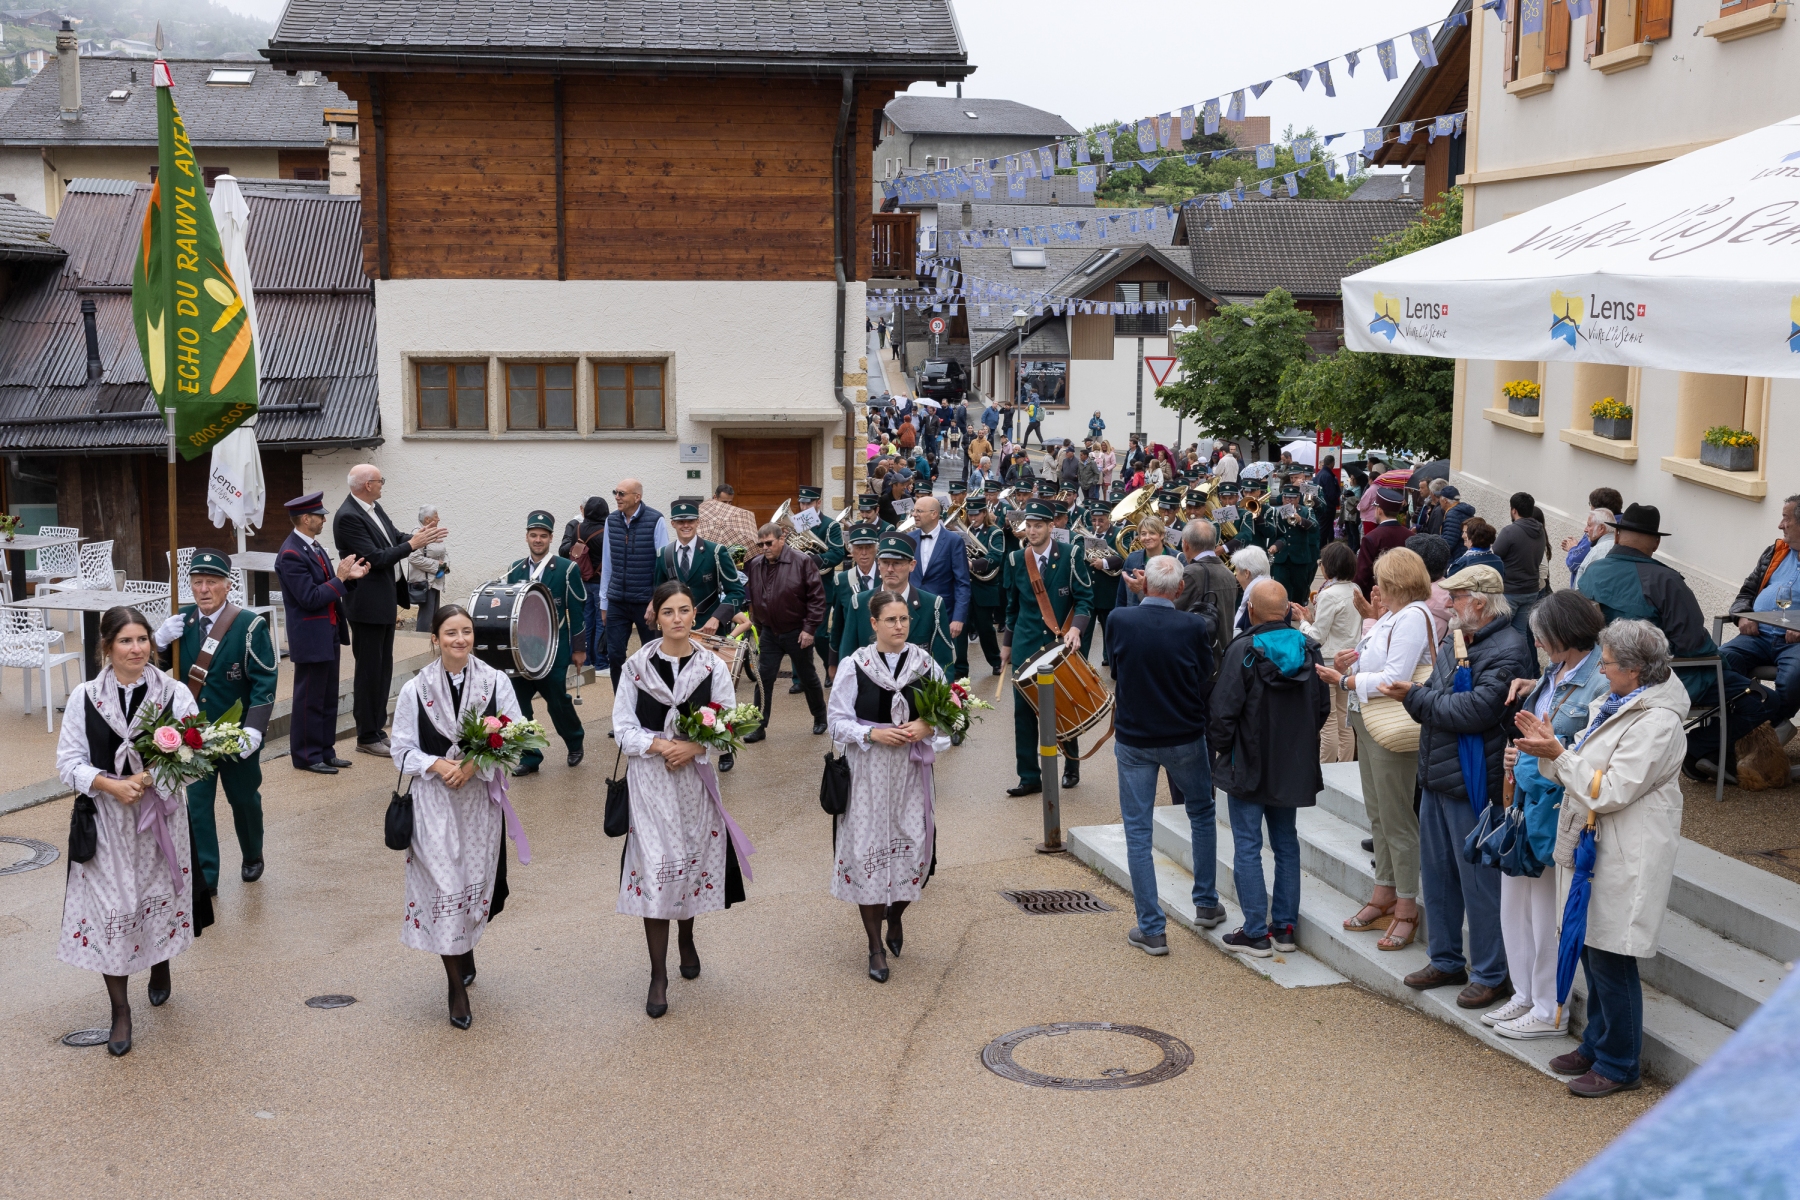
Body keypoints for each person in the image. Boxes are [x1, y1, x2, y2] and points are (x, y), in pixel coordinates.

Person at [1521, 619, 1686, 1098]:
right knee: (1591, 948)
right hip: (1600, 844)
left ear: (1634, 670)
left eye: (1608, 663)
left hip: (1626, 849)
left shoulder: (1657, 722)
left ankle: (1620, 1063)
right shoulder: (1620, 703)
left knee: (1612, 957)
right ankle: (1597, 1043)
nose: (1602, 669)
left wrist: (1559, 754)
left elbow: (1610, 789)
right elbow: (1585, 766)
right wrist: (1552, 751)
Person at [56, 606, 215, 1056]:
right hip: (106, 822)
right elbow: (67, 762)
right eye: (125, 641)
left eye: (142, 639)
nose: (136, 649)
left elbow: (197, 756)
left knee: (155, 897)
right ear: (107, 647)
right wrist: (110, 784)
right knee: (114, 908)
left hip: (159, 818)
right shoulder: (85, 697)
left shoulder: (174, 693)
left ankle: (159, 961)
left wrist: (144, 780)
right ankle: (120, 1011)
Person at [1390, 564, 1533, 1011]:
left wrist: (1415, 697)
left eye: (1455, 597)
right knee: (1438, 878)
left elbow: (1473, 711)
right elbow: (1441, 700)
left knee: (1479, 884)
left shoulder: (1510, 648)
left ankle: (1491, 973)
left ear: (1480, 602)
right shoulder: (1459, 637)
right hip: (1438, 776)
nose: (1448, 604)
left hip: (1475, 784)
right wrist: (1424, 699)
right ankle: (1446, 960)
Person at [612, 581, 752, 1017]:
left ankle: (687, 938)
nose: (677, 618)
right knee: (657, 869)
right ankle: (658, 975)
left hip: (694, 782)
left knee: (688, 862)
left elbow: (729, 723)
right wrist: (660, 746)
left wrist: (692, 747)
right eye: (668, 611)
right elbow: (623, 727)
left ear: (694, 615)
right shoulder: (637, 667)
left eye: (684, 610)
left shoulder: (711, 666)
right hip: (650, 782)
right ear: (655, 617)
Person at [389, 603, 528, 1030]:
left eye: (466, 631)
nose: (460, 639)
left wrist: (473, 764)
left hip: (478, 803)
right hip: (434, 802)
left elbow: (517, 734)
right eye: (451, 632)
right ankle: (456, 988)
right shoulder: (415, 689)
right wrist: (436, 764)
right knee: (445, 886)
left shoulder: (495, 681)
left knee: (473, 883)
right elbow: (401, 749)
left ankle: (464, 948)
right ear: (435, 639)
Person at [1578, 503, 1784, 781]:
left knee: (1732, 678)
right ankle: (1690, 748)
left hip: (1605, 674)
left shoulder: (1591, 572)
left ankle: (1710, 756)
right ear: (1656, 542)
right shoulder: (1666, 580)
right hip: (1664, 678)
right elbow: (1694, 646)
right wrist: (1721, 663)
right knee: (1763, 699)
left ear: (1616, 535)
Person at [1492, 589, 1610, 1042]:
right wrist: (1518, 755)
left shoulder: (1598, 679)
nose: (1537, 642)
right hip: (1528, 797)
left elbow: (1584, 750)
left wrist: (1537, 754)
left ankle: (1547, 1007)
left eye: (1543, 635)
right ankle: (1524, 993)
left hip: (1556, 805)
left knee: (1544, 912)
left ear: (1566, 632)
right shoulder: (1554, 669)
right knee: (1515, 903)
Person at [1315, 547, 1437, 950]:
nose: (1376, 587)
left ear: (1396, 582)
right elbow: (1377, 668)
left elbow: (1394, 679)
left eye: (1381, 580)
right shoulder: (1393, 616)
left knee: (1397, 819)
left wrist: (1343, 679)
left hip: (1391, 724)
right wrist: (1349, 665)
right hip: (1369, 720)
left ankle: (1407, 905)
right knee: (1379, 816)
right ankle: (1384, 892)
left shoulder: (1413, 616)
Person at [827, 590, 950, 982]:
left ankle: (895, 914)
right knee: (867, 852)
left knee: (915, 848)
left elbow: (953, 712)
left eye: (904, 619)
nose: (899, 626)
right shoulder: (855, 666)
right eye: (891, 620)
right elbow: (836, 721)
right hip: (867, 772)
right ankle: (874, 947)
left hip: (911, 774)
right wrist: (872, 734)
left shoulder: (925, 664)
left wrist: (928, 726)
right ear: (874, 623)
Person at [1107, 555, 1222, 955]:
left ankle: (1152, 927)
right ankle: (1205, 903)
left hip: (1135, 736)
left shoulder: (1120, 619)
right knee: (1201, 813)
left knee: (1138, 831)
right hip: (1183, 734)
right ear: (1180, 589)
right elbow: (1203, 673)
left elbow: (1116, 668)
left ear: (1145, 585)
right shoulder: (1192, 625)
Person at [1209, 577, 1330, 956]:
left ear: (1251, 611)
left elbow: (1223, 712)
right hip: (1291, 763)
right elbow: (1321, 707)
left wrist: (1224, 750)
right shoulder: (1309, 649)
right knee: (1285, 843)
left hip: (1248, 760)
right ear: (1289, 610)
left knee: (1247, 845)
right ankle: (1285, 929)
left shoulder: (1243, 649)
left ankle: (1255, 932)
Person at [153, 548, 278, 890]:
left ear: (227, 585)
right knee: (197, 806)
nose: (203, 589)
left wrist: (254, 729)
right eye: (197, 582)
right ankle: (206, 877)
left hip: (236, 734)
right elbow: (156, 672)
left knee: (244, 800)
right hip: (193, 735)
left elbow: (264, 681)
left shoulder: (249, 625)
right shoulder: (181, 621)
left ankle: (252, 853)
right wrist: (158, 643)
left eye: (211, 582)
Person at [335, 464, 447, 755]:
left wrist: (421, 536)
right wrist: (413, 544)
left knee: (383, 670)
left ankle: (377, 730)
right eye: (379, 480)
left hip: (383, 602)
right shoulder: (348, 516)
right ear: (366, 484)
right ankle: (366, 736)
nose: (382, 484)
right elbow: (376, 557)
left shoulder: (374, 508)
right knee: (369, 672)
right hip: (366, 605)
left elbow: (394, 537)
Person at [1000, 499, 1093, 796]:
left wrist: (1076, 628)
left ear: (1051, 526)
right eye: (1029, 526)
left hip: (1059, 643)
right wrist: (1007, 645)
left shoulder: (1070, 554)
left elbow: (1085, 598)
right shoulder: (1016, 559)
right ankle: (1029, 776)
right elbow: (1012, 608)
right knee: (1023, 712)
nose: (1032, 531)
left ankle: (1071, 766)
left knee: (1063, 705)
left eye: (1038, 526)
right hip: (1025, 644)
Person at [275, 491, 368, 774]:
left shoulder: (313, 547)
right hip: (310, 636)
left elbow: (329, 586)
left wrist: (348, 579)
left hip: (327, 631)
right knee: (309, 700)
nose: (324, 520)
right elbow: (310, 598)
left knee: (328, 696)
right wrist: (340, 578)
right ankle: (307, 755)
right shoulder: (291, 553)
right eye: (320, 516)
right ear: (306, 519)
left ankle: (326, 751)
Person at [506, 510, 587, 775]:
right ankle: (530, 756)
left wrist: (579, 648)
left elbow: (577, 612)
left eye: (543, 535)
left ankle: (574, 741)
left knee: (557, 700)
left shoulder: (566, 568)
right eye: (533, 535)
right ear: (527, 537)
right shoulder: (515, 569)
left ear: (551, 538)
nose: (538, 540)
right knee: (518, 703)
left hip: (554, 647)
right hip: (522, 649)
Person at [1722, 495, 1800, 736]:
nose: (1780, 525)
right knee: (1722, 660)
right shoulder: (1775, 553)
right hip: (1758, 636)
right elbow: (1746, 593)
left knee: (1793, 678)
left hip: (1794, 643)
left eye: (1786, 518)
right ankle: (1750, 722)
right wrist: (1743, 616)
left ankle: (1767, 729)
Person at [743, 521, 828, 739]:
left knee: (808, 677)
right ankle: (758, 726)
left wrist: (809, 629)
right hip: (769, 632)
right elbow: (756, 596)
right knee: (764, 679)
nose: (764, 548)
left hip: (797, 631)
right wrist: (759, 625)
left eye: (769, 543)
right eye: (761, 544)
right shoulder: (755, 564)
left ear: (782, 539)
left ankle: (820, 716)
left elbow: (817, 598)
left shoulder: (802, 561)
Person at [599, 479, 673, 691]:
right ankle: (621, 703)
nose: (617, 497)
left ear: (637, 497)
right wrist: (604, 602)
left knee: (652, 656)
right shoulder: (611, 520)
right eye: (615, 492)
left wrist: (656, 602)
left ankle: (652, 701)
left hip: (645, 602)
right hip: (617, 601)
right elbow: (607, 562)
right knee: (614, 655)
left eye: (622, 493)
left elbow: (662, 565)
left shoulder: (655, 520)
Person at [840, 534, 954, 669]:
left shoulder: (932, 605)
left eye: (897, 563)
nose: (890, 569)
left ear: (912, 565)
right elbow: (848, 655)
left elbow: (943, 664)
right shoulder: (859, 602)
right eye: (885, 562)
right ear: (878, 563)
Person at [786, 485, 848, 692]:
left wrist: (812, 560)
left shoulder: (830, 526)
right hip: (798, 588)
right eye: (802, 503)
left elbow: (838, 553)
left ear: (818, 503)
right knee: (797, 633)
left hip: (822, 587)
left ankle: (829, 666)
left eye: (809, 503)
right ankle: (799, 679)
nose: (804, 507)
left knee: (819, 634)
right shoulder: (795, 524)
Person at [1310, 541, 1361, 763]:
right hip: (1350, 660)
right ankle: (1345, 767)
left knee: (1329, 721)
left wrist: (1303, 622)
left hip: (1330, 661)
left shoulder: (1328, 594)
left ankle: (1326, 769)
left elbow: (1317, 636)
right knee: (1344, 720)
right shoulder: (1355, 588)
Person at [909, 495, 970, 675]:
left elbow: (962, 583)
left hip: (942, 614)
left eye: (919, 511)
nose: (914, 514)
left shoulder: (953, 541)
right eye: (914, 510)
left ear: (934, 514)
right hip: (912, 612)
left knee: (942, 667)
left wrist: (958, 618)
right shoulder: (909, 539)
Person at [560, 495, 611, 672]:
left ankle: (586, 661)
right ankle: (601, 663)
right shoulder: (606, 532)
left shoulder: (578, 528)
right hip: (600, 583)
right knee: (601, 622)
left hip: (582, 581)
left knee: (585, 622)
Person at [1494, 491, 1550, 641]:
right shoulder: (1540, 531)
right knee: (1520, 633)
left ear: (1514, 510)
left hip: (1510, 590)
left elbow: (1495, 555)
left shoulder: (1509, 531)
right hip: (1531, 590)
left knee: (1500, 632)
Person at [961, 497, 1007, 676]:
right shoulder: (963, 531)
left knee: (985, 628)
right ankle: (960, 668)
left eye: (976, 514)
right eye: (970, 514)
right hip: (965, 586)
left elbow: (996, 557)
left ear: (984, 513)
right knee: (961, 627)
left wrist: (972, 564)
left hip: (984, 586)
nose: (973, 518)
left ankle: (996, 661)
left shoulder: (994, 532)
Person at [1353, 483, 1411, 599]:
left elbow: (1362, 575)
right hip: (1405, 596)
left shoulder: (1371, 538)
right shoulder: (1411, 536)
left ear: (1379, 510)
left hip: (1378, 597)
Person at [1266, 482, 1321, 604]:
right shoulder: (1276, 512)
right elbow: (1272, 532)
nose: (1289, 500)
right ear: (1282, 498)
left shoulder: (1306, 511)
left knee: (1299, 590)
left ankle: (1298, 609)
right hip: (1281, 558)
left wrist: (1301, 520)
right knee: (1280, 589)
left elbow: (1315, 527)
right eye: (1286, 497)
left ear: (1298, 498)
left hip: (1300, 558)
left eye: (1292, 498)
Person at [1561, 486, 1625, 579]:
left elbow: (1575, 563)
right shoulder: (1626, 527)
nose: (1586, 529)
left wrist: (1573, 548)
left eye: (1589, 525)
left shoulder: (1600, 528)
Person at [1116, 515, 1177, 610]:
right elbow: (1121, 596)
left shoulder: (1177, 559)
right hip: (1135, 614)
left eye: (1152, 533)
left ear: (1162, 535)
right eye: (1143, 534)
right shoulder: (1131, 558)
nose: (1147, 537)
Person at [406, 505, 450, 633]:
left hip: (436, 580)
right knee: (426, 617)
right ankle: (421, 642)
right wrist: (437, 566)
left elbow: (444, 553)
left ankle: (431, 640)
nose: (439, 519)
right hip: (425, 582)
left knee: (434, 615)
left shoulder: (433, 532)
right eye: (436, 517)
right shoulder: (418, 534)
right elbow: (413, 557)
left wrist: (444, 567)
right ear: (427, 519)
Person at [697, 483, 758, 557]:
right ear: (715, 497)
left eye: (730, 502)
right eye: (724, 502)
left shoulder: (735, 517)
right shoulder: (702, 512)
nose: (727, 505)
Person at [1228, 544, 1273, 636]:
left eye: (1237, 572)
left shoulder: (1254, 602)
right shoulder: (1274, 590)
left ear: (1246, 573)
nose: (1236, 577)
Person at [1570, 508, 1615, 589]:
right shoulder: (1617, 544)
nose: (1585, 529)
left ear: (1601, 528)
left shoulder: (1599, 550)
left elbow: (1581, 584)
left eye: (1589, 525)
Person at [1436, 486, 1475, 553]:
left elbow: (1448, 543)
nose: (1439, 500)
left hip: (1456, 555)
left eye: (1440, 497)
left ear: (1445, 501)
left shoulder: (1452, 515)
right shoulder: (1461, 511)